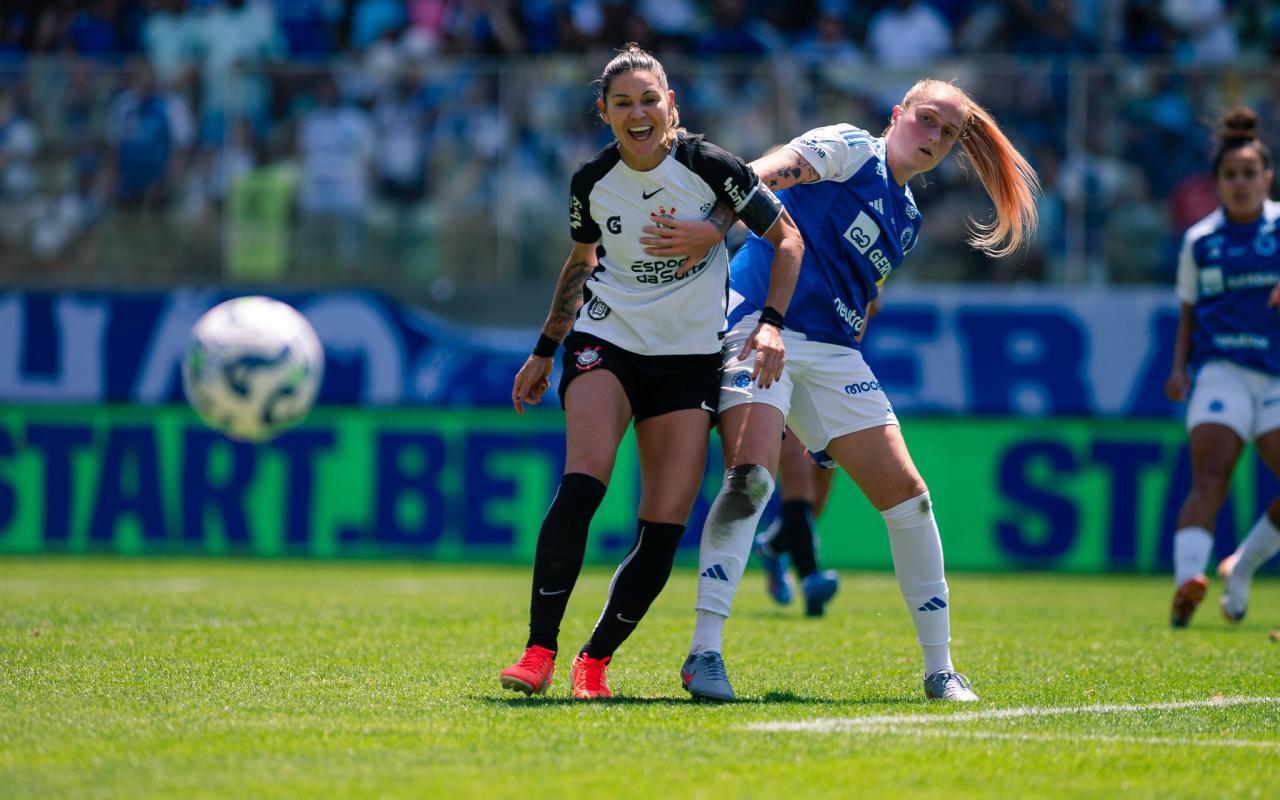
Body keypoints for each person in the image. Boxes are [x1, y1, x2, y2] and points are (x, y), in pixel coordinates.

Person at [644, 78, 1039, 702]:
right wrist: (717, 224)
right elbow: (766, 170)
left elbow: (859, 285)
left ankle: (941, 670)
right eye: (926, 120)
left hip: (831, 354)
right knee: (750, 479)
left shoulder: (906, 217)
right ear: (897, 114)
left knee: (910, 499)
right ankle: (704, 654)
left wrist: (858, 306)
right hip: (757, 324)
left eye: (948, 133)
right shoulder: (852, 147)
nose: (933, 138)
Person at [498, 44, 804, 700]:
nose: (637, 113)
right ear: (603, 112)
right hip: (605, 342)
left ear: (672, 106)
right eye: (622, 102)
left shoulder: (713, 169)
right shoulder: (591, 181)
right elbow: (581, 264)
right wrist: (545, 350)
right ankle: (538, 651)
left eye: (648, 99)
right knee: (584, 482)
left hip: (689, 359)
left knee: (664, 524)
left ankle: (595, 659)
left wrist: (771, 321)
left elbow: (788, 240)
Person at [1164, 107, 1280, 628]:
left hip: (1277, 376)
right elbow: (1187, 311)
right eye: (1230, 175)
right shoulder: (1200, 240)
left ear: (1267, 177)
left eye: (1249, 173)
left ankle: (1241, 566)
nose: (1240, 183)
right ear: (1217, 182)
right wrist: (1178, 369)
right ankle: (1189, 580)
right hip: (1222, 371)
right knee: (1210, 476)